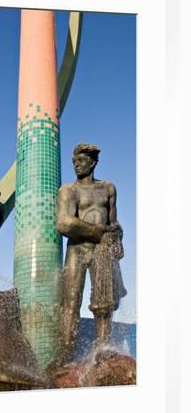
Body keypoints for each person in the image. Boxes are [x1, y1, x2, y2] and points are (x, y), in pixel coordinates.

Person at [56, 143, 126, 364]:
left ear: (93, 162)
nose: (77, 165)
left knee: (104, 303)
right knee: (71, 300)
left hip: (102, 249)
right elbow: (64, 224)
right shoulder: (69, 190)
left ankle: (103, 347)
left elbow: (113, 222)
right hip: (78, 249)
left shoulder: (108, 188)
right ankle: (67, 350)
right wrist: (100, 232)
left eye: (82, 161)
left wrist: (118, 239)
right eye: (74, 162)